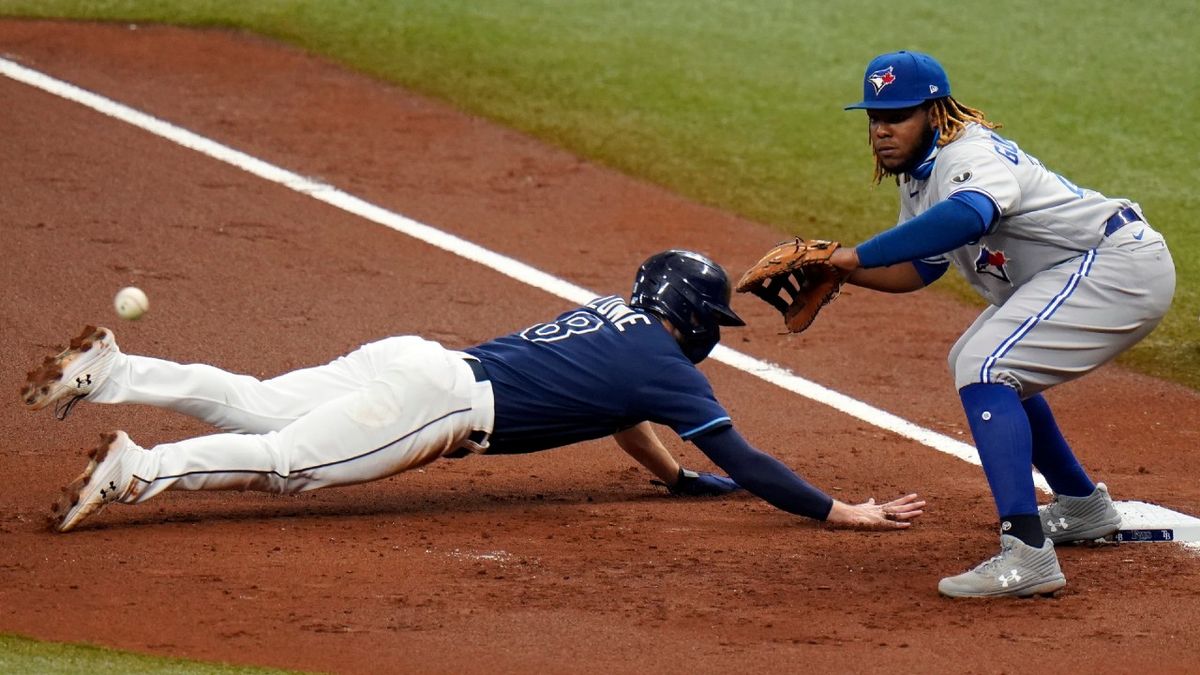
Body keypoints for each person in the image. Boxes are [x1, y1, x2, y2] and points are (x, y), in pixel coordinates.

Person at [24, 249, 924, 534]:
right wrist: (839, 509)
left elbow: (624, 416)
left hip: (409, 360)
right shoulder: (663, 363)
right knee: (289, 464)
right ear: (688, 316)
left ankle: (118, 373)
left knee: (260, 402)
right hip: (434, 406)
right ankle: (140, 469)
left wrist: (670, 478)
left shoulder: (614, 321)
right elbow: (746, 456)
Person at [833, 51, 1176, 597]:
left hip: (1114, 266)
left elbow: (970, 214)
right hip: (1079, 269)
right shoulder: (919, 177)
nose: (881, 130)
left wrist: (856, 255)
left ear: (935, 112)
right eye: (874, 117)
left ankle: (1027, 555)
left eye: (896, 116)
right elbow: (922, 266)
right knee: (978, 360)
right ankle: (1082, 506)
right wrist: (841, 274)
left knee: (986, 366)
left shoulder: (970, 151)